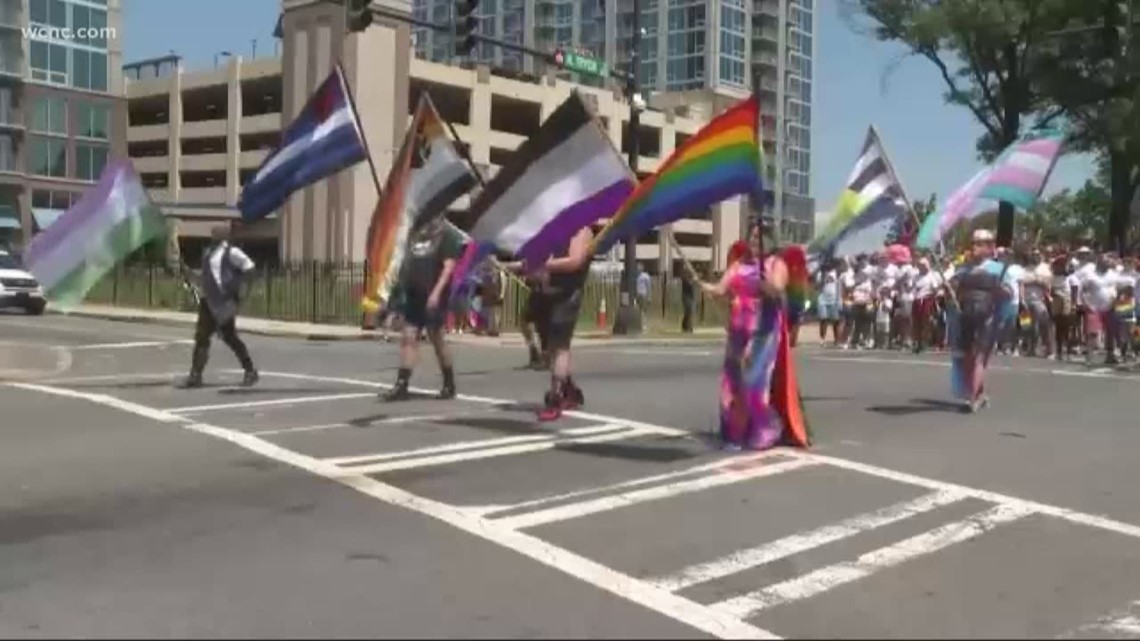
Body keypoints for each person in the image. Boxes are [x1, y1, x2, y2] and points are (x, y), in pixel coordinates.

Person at [699, 221, 810, 451]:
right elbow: (721, 289)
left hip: (763, 332)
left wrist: (765, 283)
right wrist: (704, 286)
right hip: (738, 330)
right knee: (732, 385)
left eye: (761, 236)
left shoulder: (775, 264)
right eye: (753, 235)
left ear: (770, 241)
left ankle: (768, 427)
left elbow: (777, 290)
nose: (755, 240)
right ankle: (735, 433)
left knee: (753, 383)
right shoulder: (739, 265)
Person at [383, 218, 462, 402]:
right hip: (414, 296)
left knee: (437, 339)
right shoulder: (416, 235)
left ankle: (449, 383)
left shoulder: (447, 235)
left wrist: (436, 293)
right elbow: (406, 268)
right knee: (408, 337)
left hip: (434, 296)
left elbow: (448, 268)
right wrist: (395, 301)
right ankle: (402, 385)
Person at [946, 229, 1017, 413]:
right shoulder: (963, 268)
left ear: (989, 247)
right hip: (966, 316)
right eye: (972, 243)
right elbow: (952, 291)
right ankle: (979, 393)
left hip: (988, 317)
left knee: (979, 358)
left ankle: (973, 397)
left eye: (979, 243)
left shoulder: (998, 269)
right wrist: (948, 289)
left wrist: (999, 290)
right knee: (968, 358)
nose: (974, 247)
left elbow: (1009, 294)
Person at [529, 226, 594, 421]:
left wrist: (547, 265)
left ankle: (555, 400)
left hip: (568, 296)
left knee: (560, 348)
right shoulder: (559, 227)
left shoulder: (581, 230)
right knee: (550, 349)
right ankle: (570, 390)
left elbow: (575, 261)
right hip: (549, 295)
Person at [184, 225, 258, 388]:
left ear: (225, 235)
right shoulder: (208, 253)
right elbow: (204, 278)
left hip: (224, 302)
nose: (213, 233)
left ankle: (250, 370)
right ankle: (196, 374)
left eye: (216, 231)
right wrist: (189, 274)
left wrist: (244, 292)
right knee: (201, 337)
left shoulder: (232, 253)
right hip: (208, 301)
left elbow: (250, 269)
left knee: (230, 337)